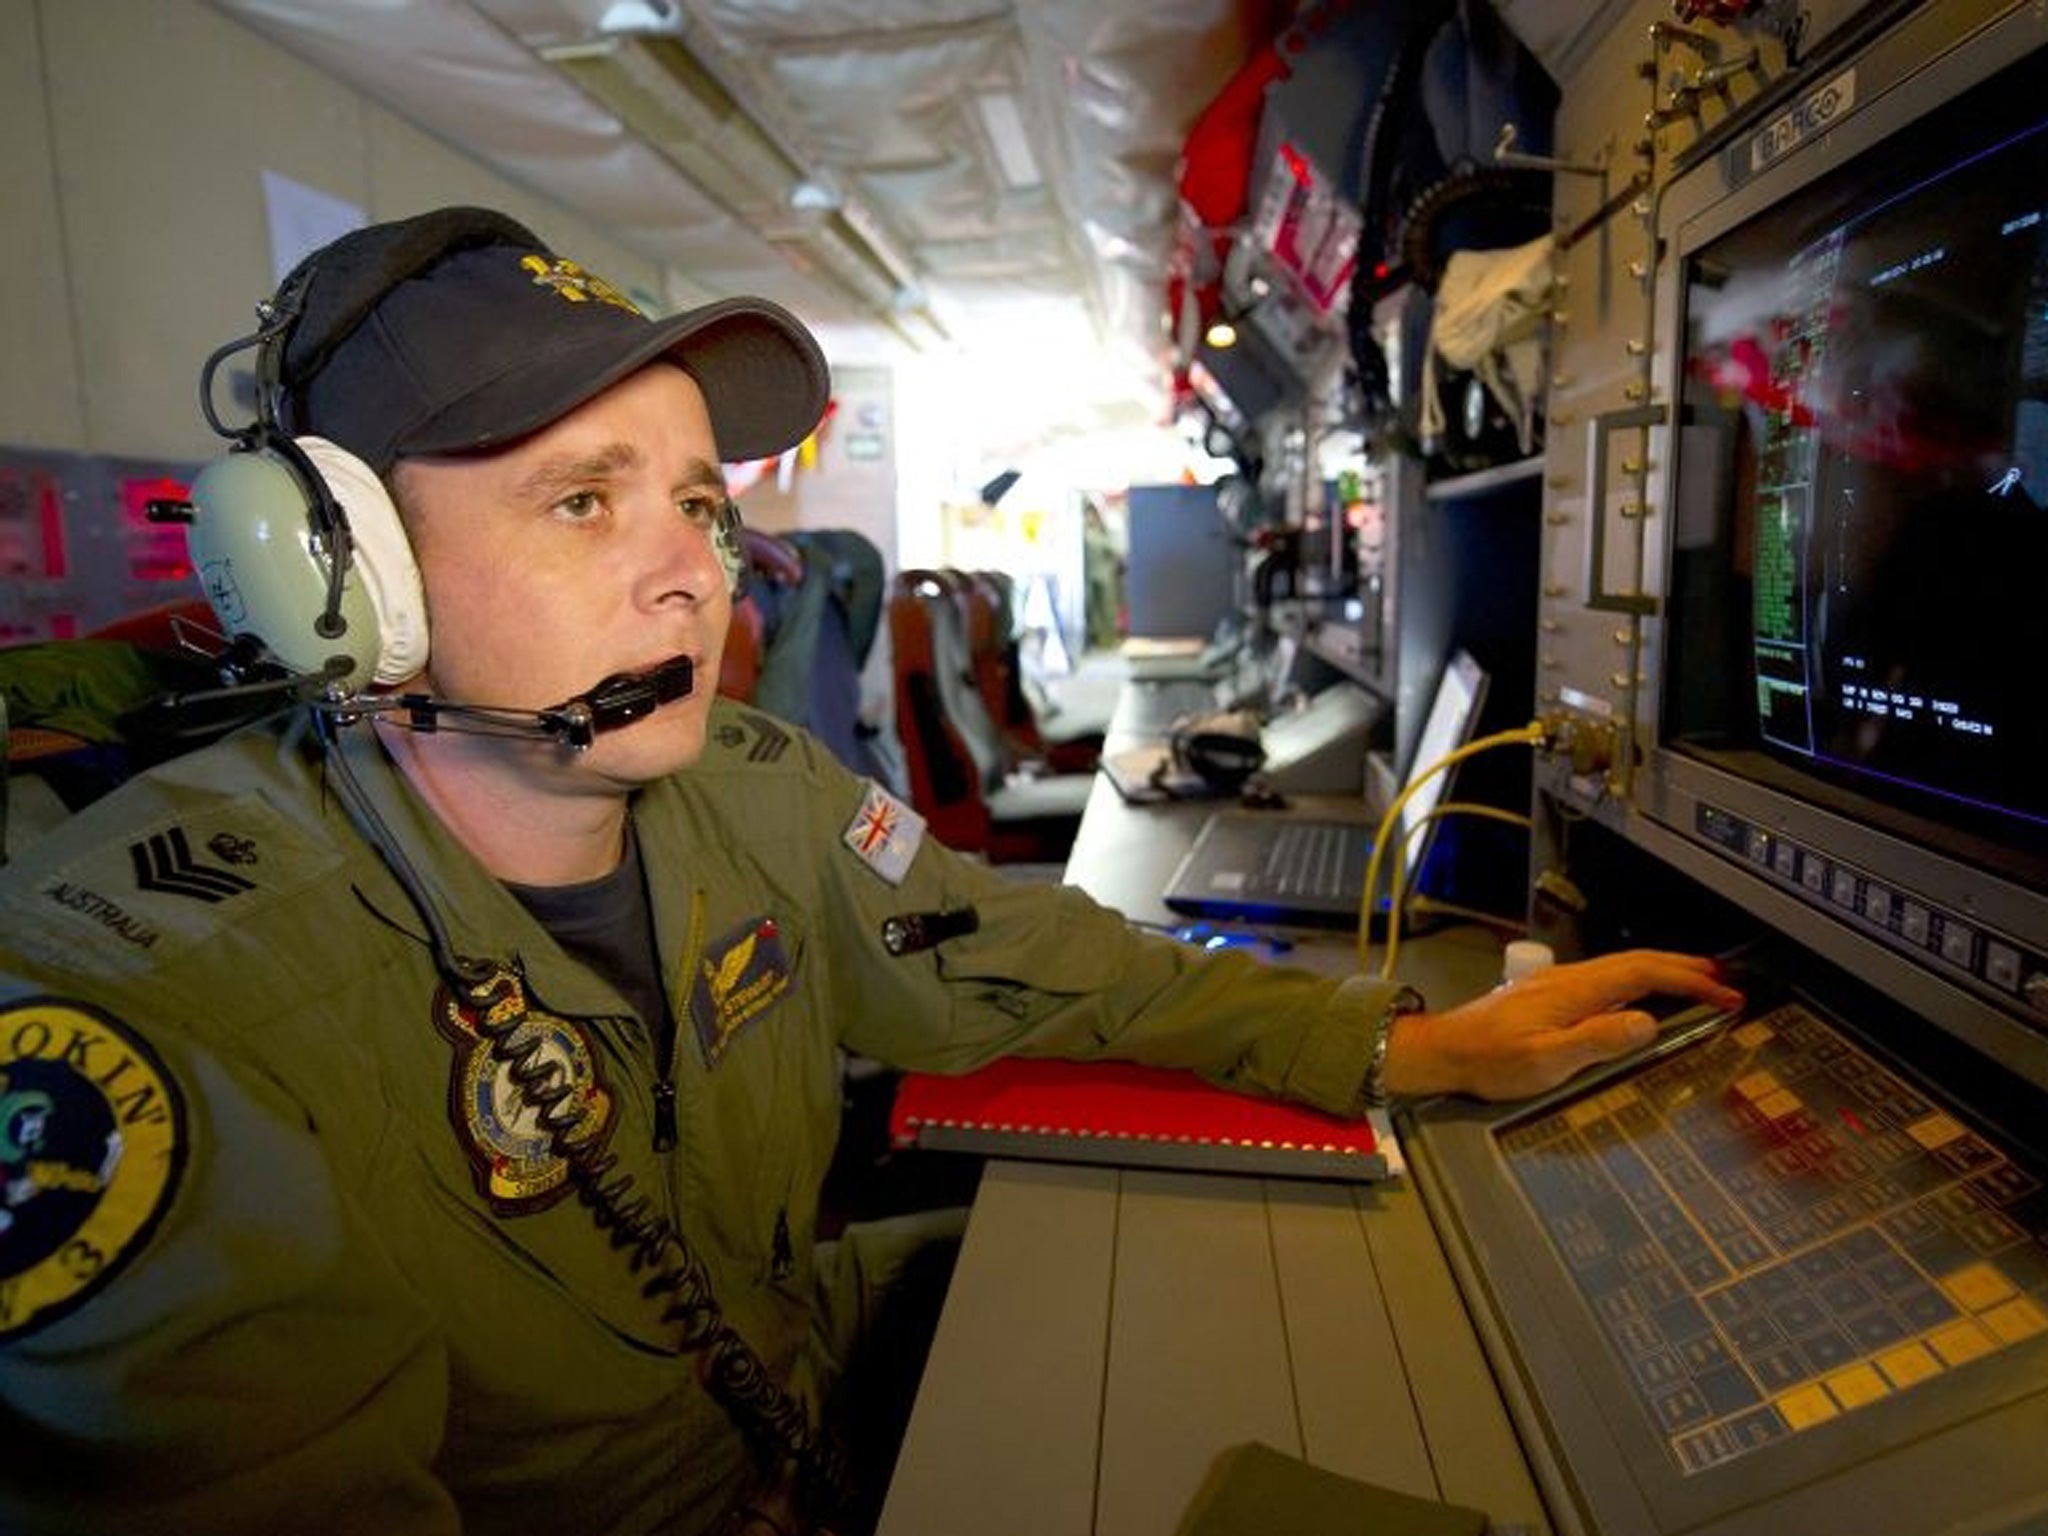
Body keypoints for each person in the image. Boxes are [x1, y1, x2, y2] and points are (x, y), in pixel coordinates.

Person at [0, 207, 1741, 1536]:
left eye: (697, 501)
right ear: (336, 584)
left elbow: (1022, 954)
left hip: (786, 1372)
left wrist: (1393, 1044)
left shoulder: (748, 784)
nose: (694, 573)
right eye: (582, 502)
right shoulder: (154, 1013)